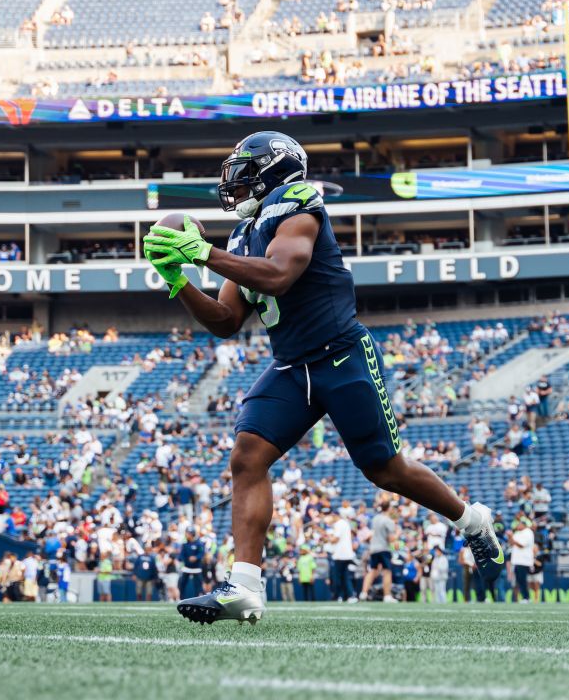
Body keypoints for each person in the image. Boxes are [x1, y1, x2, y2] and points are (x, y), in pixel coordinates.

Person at [144, 130, 504, 624]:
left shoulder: (296, 204)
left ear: (272, 171)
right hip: (292, 366)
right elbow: (226, 322)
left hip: (340, 357)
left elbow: (278, 275)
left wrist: (201, 254)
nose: (235, 181)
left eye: (245, 170)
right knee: (247, 456)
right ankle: (244, 586)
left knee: (386, 470)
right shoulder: (243, 234)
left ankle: (472, 520)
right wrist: (178, 280)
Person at [360, 501, 397, 601]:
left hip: (373, 549)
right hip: (384, 549)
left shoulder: (375, 518)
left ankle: (363, 593)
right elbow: (390, 539)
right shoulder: (389, 521)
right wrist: (397, 534)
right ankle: (387, 596)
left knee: (372, 571)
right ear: (389, 508)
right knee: (387, 572)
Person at [326, 512, 357, 602]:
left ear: (335, 516)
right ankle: (348, 596)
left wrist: (328, 538)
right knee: (345, 576)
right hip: (346, 554)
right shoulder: (344, 523)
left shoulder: (339, 524)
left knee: (338, 577)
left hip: (340, 555)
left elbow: (335, 540)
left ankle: (339, 596)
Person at [509, 519, 535, 602]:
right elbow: (511, 543)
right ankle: (524, 597)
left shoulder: (528, 532)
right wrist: (510, 538)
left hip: (524, 561)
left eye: (519, 524)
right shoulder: (517, 533)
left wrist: (511, 537)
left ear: (523, 525)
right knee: (519, 580)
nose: (517, 526)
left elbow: (521, 545)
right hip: (517, 560)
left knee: (522, 580)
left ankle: (526, 598)